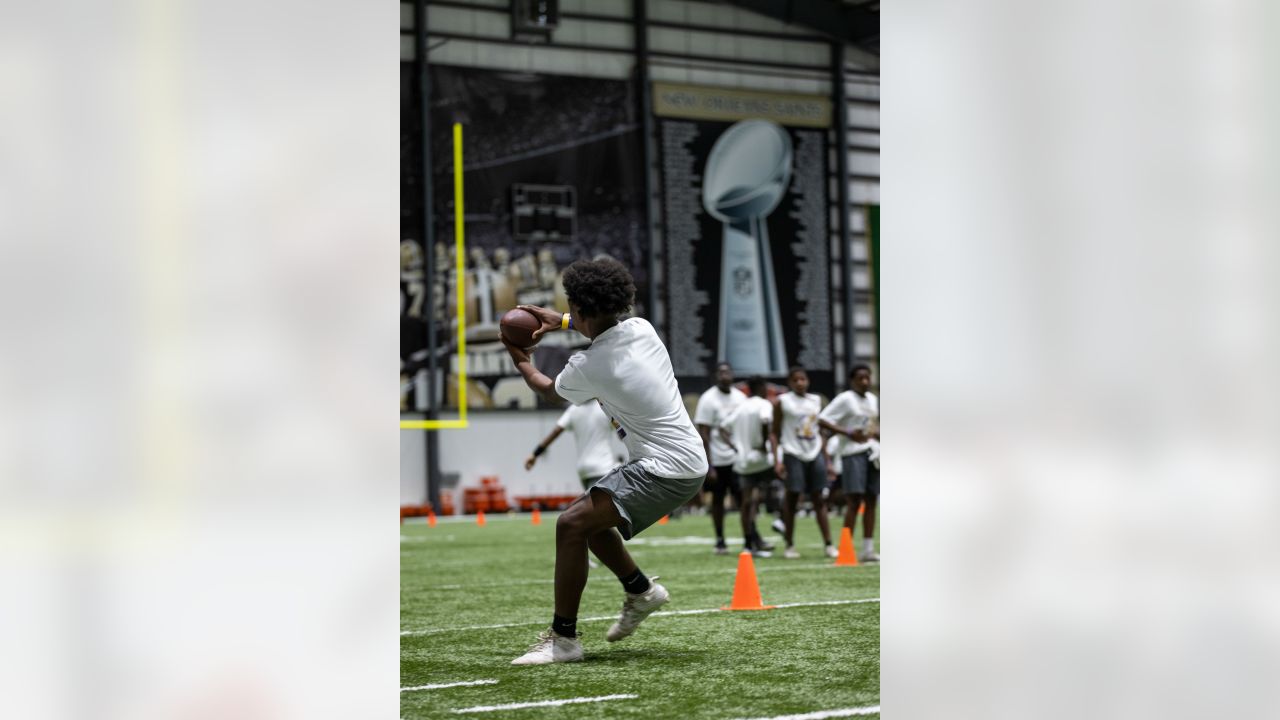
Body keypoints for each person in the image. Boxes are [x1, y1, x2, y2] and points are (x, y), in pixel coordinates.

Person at [501, 258, 708, 665]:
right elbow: (595, 323)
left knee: (570, 524)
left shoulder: (592, 365)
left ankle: (564, 640)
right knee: (591, 525)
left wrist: (519, 354)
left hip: (665, 467)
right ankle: (640, 590)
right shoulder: (642, 328)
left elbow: (549, 391)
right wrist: (560, 320)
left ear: (580, 308)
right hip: (682, 459)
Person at [817, 364, 880, 562]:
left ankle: (868, 549)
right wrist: (847, 432)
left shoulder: (872, 399)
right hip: (852, 453)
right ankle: (846, 548)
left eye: (867, 378)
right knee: (854, 501)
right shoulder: (845, 399)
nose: (864, 382)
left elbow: (870, 425)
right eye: (860, 378)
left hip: (872, 453)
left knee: (871, 500)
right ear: (852, 380)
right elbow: (822, 419)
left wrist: (876, 433)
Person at [772, 366, 836, 559]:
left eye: (803, 379)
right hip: (793, 452)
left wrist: (828, 461)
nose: (800, 383)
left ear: (807, 381)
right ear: (790, 383)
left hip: (814, 451)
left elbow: (819, 431)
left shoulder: (815, 401)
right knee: (792, 500)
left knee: (819, 499)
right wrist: (777, 459)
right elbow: (774, 433)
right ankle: (789, 545)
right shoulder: (782, 402)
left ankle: (828, 545)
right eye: (796, 380)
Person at [718, 376, 777, 557]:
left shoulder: (741, 407)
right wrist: (765, 441)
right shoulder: (764, 404)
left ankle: (748, 544)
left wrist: (734, 446)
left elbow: (722, 428)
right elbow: (766, 421)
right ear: (760, 387)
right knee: (778, 489)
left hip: (743, 462)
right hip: (762, 459)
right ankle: (779, 520)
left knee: (746, 502)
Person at [694, 362, 748, 554]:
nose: (725, 375)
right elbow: (704, 434)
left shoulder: (741, 397)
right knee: (718, 500)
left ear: (732, 375)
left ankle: (751, 539)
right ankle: (720, 540)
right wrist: (709, 464)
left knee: (744, 499)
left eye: (727, 372)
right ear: (716, 376)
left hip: (738, 457)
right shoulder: (708, 399)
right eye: (721, 372)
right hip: (717, 459)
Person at [525, 399, 626, 491]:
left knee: (595, 507)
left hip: (584, 471)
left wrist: (535, 454)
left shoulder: (573, 409)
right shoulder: (605, 407)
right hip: (604, 468)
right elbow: (622, 435)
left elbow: (555, 432)